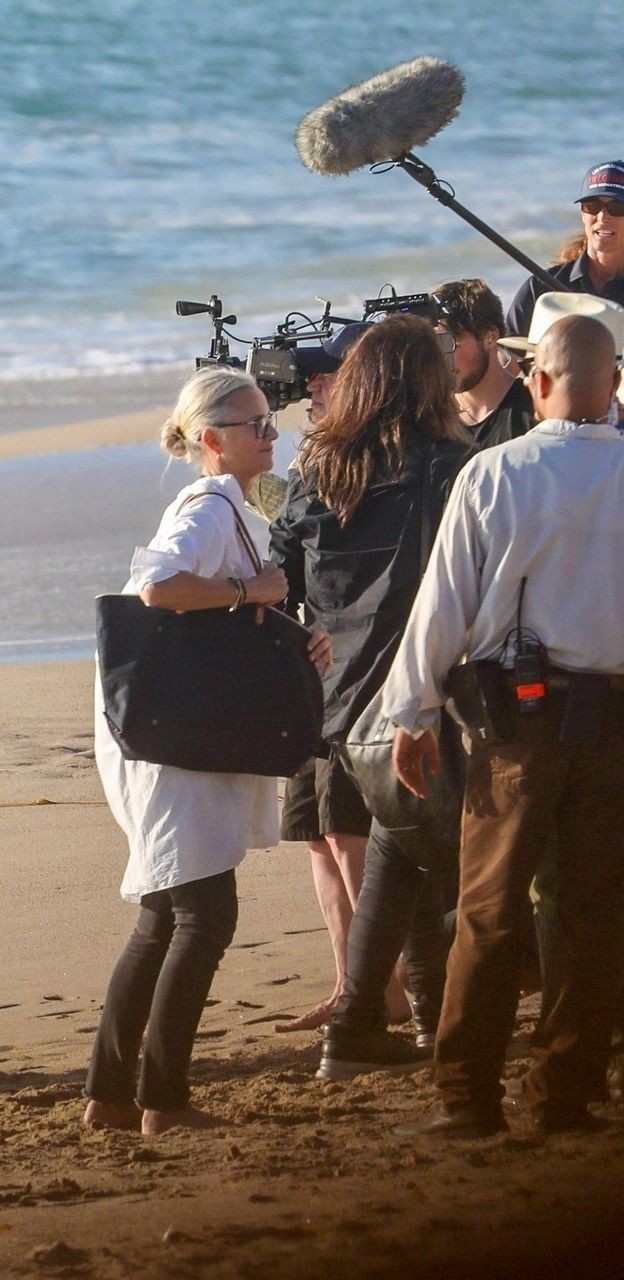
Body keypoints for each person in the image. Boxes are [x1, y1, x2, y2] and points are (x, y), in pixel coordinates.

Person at [381, 305, 624, 1137]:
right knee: (592, 914)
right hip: (612, 724)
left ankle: (468, 1097)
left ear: (538, 381)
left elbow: (442, 603)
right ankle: (565, 1092)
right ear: (614, 385)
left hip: (521, 727)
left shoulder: (496, 472)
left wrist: (411, 711)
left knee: (489, 910)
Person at [84, 366, 332, 1136]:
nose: (272, 434)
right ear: (211, 439)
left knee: (165, 914)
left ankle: (111, 1096)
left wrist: (288, 632)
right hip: (174, 749)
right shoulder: (207, 505)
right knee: (202, 913)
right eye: (255, 425)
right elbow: (158, 587)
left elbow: (221, 618)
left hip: (171, 738)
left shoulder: (230, 503)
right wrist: (253, 593)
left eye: (270, 420)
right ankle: (162, 1100)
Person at [267, 316, 474, 1080]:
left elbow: (279, 581)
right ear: (427, 383)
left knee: (398, 858)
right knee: (429, 866)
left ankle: (377, 1025)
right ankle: (417, 1019)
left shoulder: (319, 467)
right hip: (415, 701)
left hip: (333, 707)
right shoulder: (449, 467)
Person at [272, 320, 402, 1034]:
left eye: (327, 376)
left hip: (358, 677)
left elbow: (290, 562)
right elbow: (287, 564)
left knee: (348, 834)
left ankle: (383, 991)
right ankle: (350, 982)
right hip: (315, 675)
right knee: (317, 836)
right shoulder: (317, 460)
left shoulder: (395, 461)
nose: (312, 388)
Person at [502, 161, 624, 342]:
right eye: (592, 206)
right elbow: (509, 353)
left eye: (618, 207)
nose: (602, 217)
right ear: (582, 212)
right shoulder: (540, 288)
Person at [432, 278, 534, 450]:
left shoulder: (533, 411)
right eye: (435, 344)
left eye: (450, 343)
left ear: (490, 337)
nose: (442, 357)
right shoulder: (430, 418)